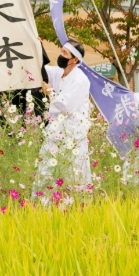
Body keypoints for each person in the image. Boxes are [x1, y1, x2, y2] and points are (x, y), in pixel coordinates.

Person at [35, 40, 92, 194]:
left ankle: (75, 207)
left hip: (71, 134)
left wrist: (50, 93)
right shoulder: (59, 73)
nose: (61, 55)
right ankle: (43, 203)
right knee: (46, 168)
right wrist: (36, 46)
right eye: (61, 51)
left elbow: (67, 106)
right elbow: (42, 69)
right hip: (55, 131)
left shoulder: (80, 80)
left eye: (65, 54)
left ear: (74, 60)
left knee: (72, 172)